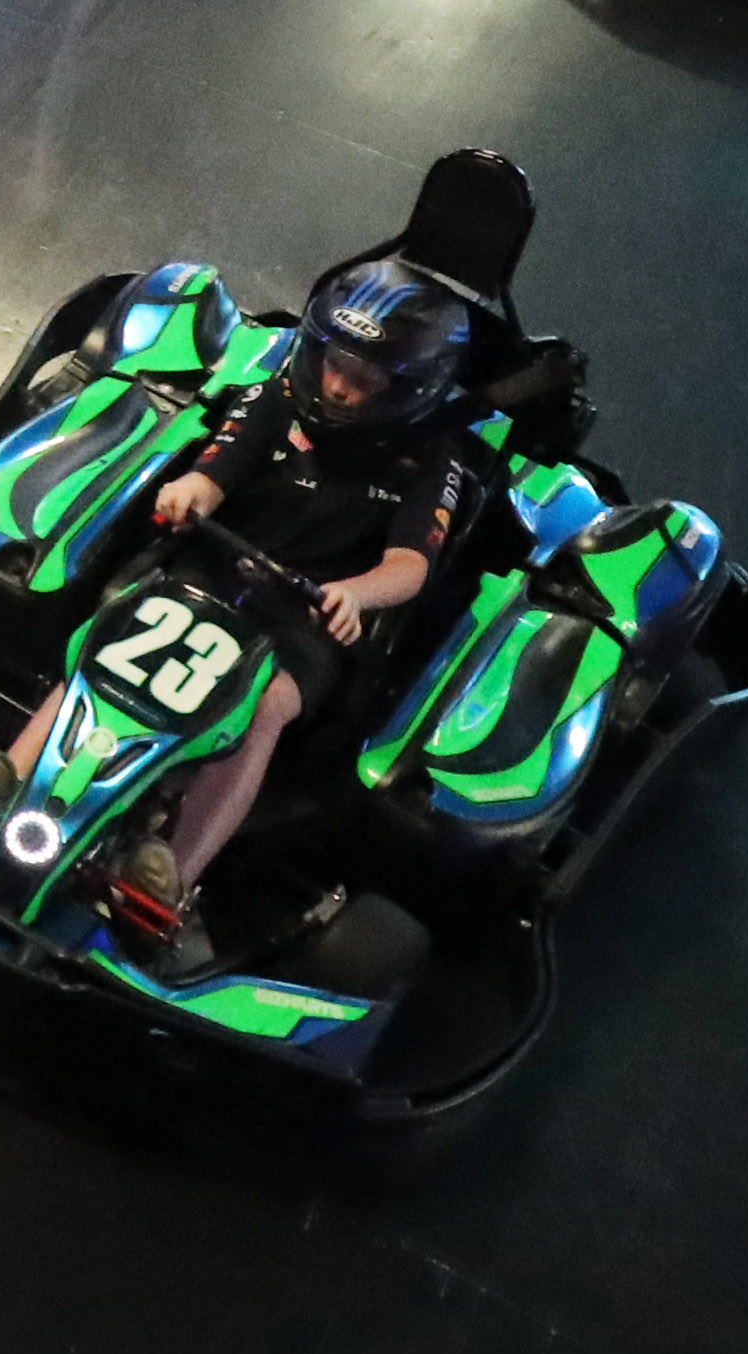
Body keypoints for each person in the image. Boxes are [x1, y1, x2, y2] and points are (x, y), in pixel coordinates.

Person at [93, 256, 488, 970]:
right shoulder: (277, 396)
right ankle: (8, 776)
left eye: (365, 378)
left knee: (266, 701)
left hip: (308, 619)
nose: (339, 384)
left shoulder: (430, 459)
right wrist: (192, 491)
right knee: (118, 631)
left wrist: (355, 594)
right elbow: (215, 469)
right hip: (209, 572)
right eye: (337, 362)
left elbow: (411, 566)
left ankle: (167, 876)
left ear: (410, 388)